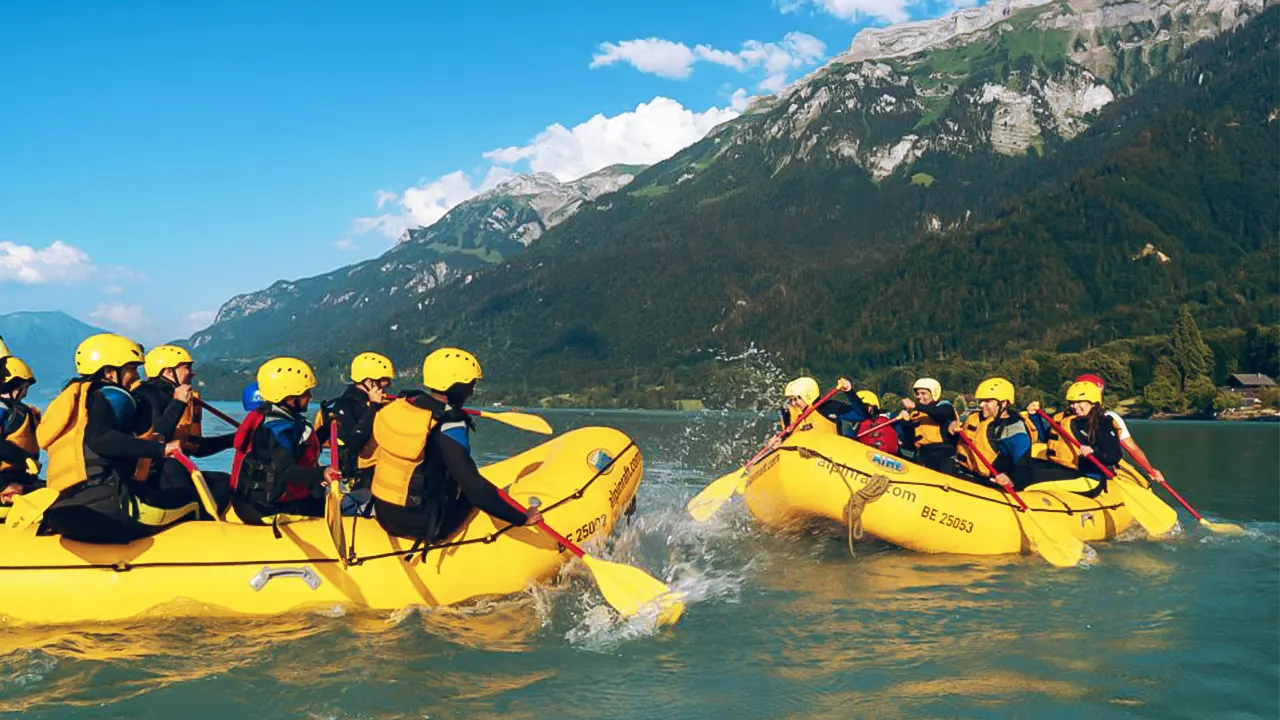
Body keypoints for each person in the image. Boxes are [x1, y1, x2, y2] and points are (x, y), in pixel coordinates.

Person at [370, 348, 540, 542]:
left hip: (383, 513)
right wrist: (520, 517)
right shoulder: (449, 424)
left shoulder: (404, 405)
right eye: (470, 384)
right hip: (421, 525)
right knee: (471, 492)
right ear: (456, 385)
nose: (472, 391)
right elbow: (475, 490)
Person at [38, 333, 191, 543]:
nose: (136, 377)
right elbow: (100, 439)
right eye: (131, 369)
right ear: (110, 372)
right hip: (108, 508)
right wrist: (160, 449)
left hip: (64, 507)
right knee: (190, 500)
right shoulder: (112, 395)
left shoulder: (75, 399)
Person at [227, 357, 339, 525]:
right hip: (264, 507)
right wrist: (322, 473)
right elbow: (285, 472)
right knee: (342, 508)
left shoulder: (280, 418)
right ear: (289, 396)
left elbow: (299, 448)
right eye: (305, 392)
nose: (310, 396)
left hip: (263, 501)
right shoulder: (276, 428)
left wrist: (328, 428)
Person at [131, 345, 233, 512]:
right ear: (168, 372)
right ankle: (192, 522)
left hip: (170, 470)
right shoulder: (148, 395)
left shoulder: (173, 395)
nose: (192, 373)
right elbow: (157, 436)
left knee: (223, 482)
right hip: (155, 474)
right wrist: (178, 403)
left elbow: (194, 447)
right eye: (187, 367)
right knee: (173, 466)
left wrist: (232, 440)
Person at [315, 352, 394, 516]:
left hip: (383, 472)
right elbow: (354, 443)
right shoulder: (344, 406)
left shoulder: (380, 404)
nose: (384, 388)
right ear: (367, 381)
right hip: (360, 478)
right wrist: (373, 407)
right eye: (380, 383)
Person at [1019, 381, 1123, 496]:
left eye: (1079, 402)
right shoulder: (1067, 418)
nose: (1075, 406)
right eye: (1072, 403)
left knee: (1027, 477)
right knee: (1021, 468)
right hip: (1063, 467)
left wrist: (1094, 453)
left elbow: (1114, 455)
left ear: (1093, 403)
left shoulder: (1103, 423)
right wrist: (1034, 417)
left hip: (1087, 478)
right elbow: (1049, 439)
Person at [948, 377, 1037, 491]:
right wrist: (951, 429)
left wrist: (1012, 480)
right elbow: (963, 444)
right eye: (981, 401)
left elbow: (1025, 469)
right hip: (963, 471)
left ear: (1003, 403)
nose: (981, 405)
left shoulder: (1014, 430)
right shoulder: (975, 417)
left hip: (987, 483)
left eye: (988, 401)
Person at [1074, 373, 1165, 484]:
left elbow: (1131, 447)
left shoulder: (1109, 418)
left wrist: (1150, 470)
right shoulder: (1065, 419)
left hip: (1094, 469)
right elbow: (1131, 447)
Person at [0, 356, 42, 505]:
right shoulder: (4, 409)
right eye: (24, 387)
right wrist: (24, 459)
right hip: (5, 482)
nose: (25, 393)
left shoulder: (24, 412)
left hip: (21, 478)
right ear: (14, 385)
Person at [897, 378, 958, 473]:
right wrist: (907, 423)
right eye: (917, 394)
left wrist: (915, 406)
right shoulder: (915, 414)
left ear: (934, 393)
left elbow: (943, 413)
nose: (919, 396)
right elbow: (909, 441)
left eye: (923, 393)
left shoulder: (944, 407)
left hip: (943, 454)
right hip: (923, 455)